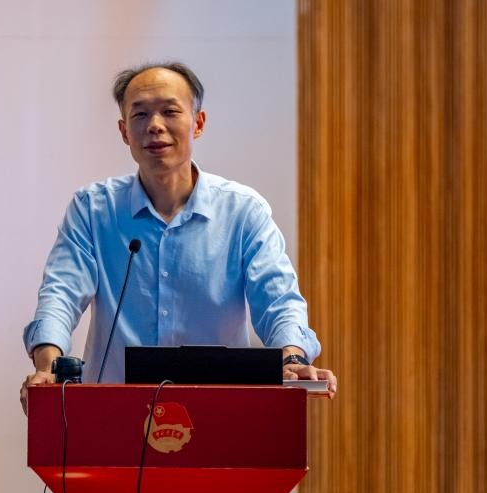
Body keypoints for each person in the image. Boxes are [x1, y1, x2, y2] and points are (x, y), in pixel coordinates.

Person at [20, 62, 335, 412]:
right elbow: (61, 292)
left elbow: (278, 300)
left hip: (220, 412)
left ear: (198, 123)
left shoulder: (243, 211)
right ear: (124, 131)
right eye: (140, 115)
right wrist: (48, 365)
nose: (155, 126)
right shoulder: (93, 210)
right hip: (115, 413)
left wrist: (292, 358)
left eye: (170, 111)